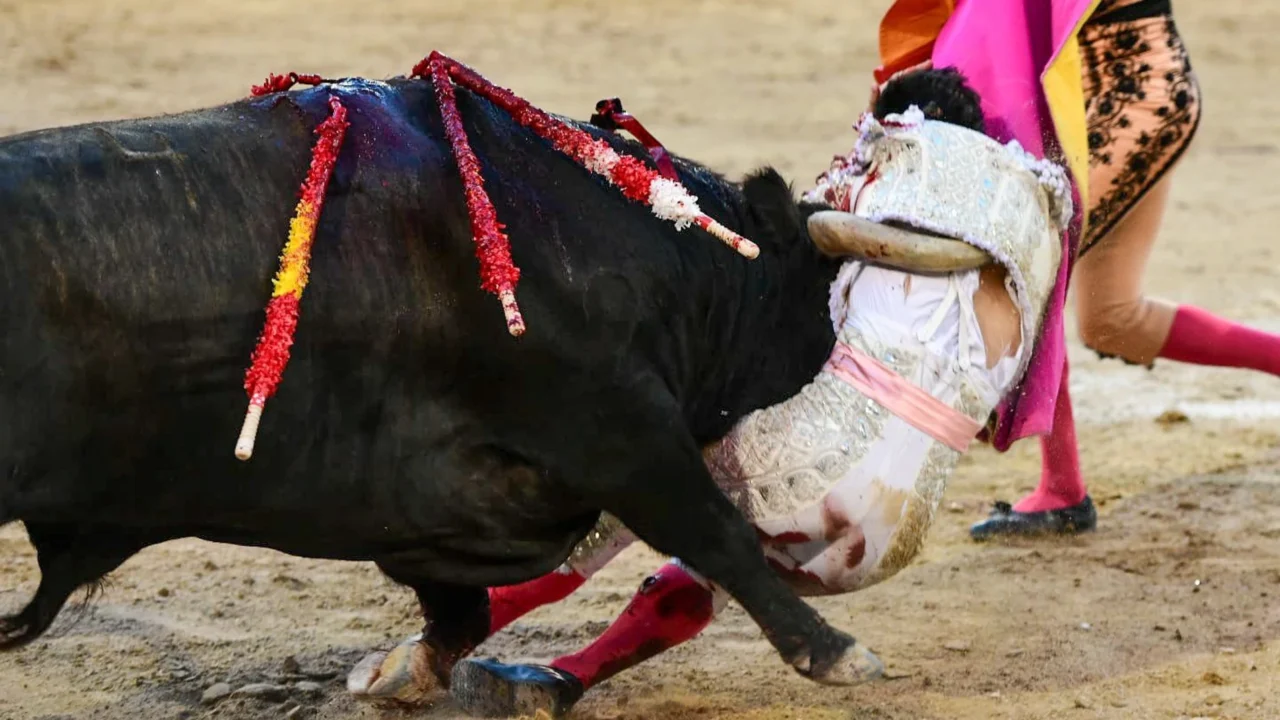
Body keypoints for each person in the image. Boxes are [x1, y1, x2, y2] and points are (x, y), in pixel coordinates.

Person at [425, 68, 1068, 717]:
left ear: (893, 127)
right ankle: (566, 676)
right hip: (888, 539)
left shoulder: (893, 170)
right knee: (710, 557)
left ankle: (445, 644)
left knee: (640, 468)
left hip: (814, 469)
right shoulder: (1036, 234)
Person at [970, 0, 1280, 538]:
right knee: (1112, 319)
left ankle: (1063, 489)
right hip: (1109, 94)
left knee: (1030, 262)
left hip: (1135, 93)